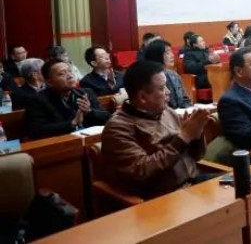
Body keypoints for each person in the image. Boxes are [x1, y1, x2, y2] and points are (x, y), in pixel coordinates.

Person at [102, 61, 214, 200]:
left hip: (194, 181)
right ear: (142, 97)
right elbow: (142, 170)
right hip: (162, 196)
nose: (168, 92)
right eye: (162, 88)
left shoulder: (168, 112)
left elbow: (197, 156)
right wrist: (184, 137)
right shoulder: (118, 128)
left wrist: (196, 135)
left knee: (237, 184)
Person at [26, 59, 110, 139]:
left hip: (90, 139)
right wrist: (72, 123)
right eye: (62, 74)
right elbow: (37, 130)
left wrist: (89, 111)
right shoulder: (39, 100)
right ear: (49, 82)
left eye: (70, 71)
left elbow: (106, 116)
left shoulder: (86, 93)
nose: (70, 76)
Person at [144, 39, 192, 109]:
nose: (172, 55)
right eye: (168, 52)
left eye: (171, 52)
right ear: (157, 55)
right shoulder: (149, 77)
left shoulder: (174, 75)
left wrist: (188, 110)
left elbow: (185, 99)